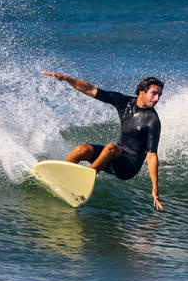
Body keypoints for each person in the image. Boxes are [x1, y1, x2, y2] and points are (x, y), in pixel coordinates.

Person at [42, 72, 164, 210]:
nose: (157, 98)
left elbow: (151, 154)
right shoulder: (124, 102)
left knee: (111, 147)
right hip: (114, 158)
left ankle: (82, 181)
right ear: (142, 91)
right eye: (154, 93)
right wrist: (66, 79)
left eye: (159, 95)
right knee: (81, 150)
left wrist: (155, 188)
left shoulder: (152, 120)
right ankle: (61, 178)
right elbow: (91, 89)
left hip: (129, 167)